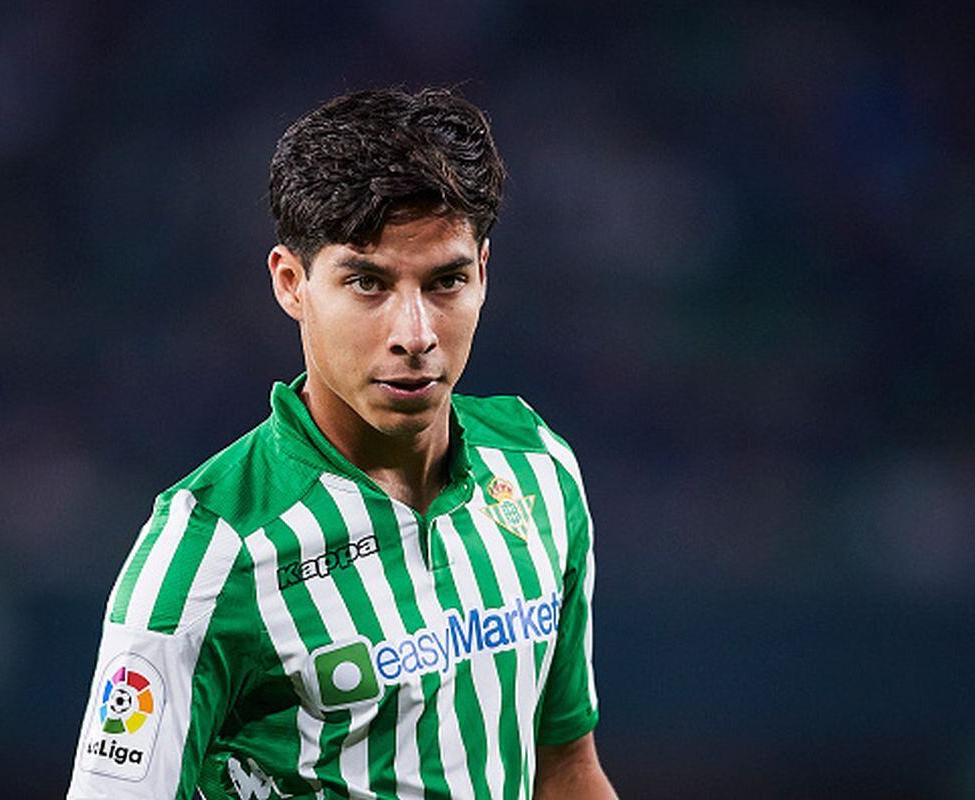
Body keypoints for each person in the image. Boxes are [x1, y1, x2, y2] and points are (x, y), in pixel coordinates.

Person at [66, 87, 616, 800]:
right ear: (292, 284)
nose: (415, 335)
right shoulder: (207, 553)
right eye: (368, 283)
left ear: (484, 271)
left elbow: (566, 768)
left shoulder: (540, 469)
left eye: (447, 281)